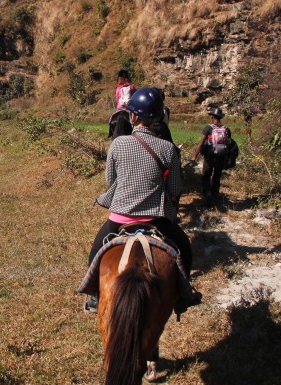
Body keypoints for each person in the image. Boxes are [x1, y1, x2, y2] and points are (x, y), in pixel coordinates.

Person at [84, 87, 201, 314]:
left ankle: (95, 296)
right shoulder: (168, 149)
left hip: (119, 219)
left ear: (133, 116)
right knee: (184, 248)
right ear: (159, 118)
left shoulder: (118, 144)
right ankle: (184, 295)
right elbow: (175, 188)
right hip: (157, 219)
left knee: (95, 253)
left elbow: (111, 181)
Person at [192, 107, 232, 207]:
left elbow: (201, 144)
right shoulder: (226, 129)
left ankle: (207, 195)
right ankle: (215, 196)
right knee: (217, 177)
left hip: (210, 157)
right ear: (221, 117)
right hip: (221, 157)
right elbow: (229, 144)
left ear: (212, 117)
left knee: (206, 176)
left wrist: (194, 157)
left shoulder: (208, 128)